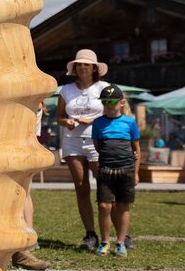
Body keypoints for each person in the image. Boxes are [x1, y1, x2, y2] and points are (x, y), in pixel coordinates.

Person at [56, 49, 110, 251]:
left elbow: (113, 112)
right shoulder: (66, 90)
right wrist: (66, 122)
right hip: (72, 141)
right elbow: (59, 117)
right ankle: (90, 234)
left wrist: (93, 119)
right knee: (81, 187)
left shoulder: (104, 88)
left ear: (94, 68)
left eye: (86, 64)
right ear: (75, 68)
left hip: (98, 141)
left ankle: (114, 233)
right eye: (79, 64)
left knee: (105, 188)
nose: (82, 67)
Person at [91, 85, 140, 257]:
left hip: (126, 170)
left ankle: (120, 242)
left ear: (121, 103)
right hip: (105, 170)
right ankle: (104, 241)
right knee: (104, 206)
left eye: (112, 101)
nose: (109, 105)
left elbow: (136, 149)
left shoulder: (130, 122)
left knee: (122, 206)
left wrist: (136, 172)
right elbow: (98, 146)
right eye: (105, 102)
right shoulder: (98, 123)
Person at [12, 102, 52, 271]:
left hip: (21, 148)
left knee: (21, 193)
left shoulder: (31, 101)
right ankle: (25, 243)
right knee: (21, 194)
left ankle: (25, 244)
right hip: (20, 148)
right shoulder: (32, 100)